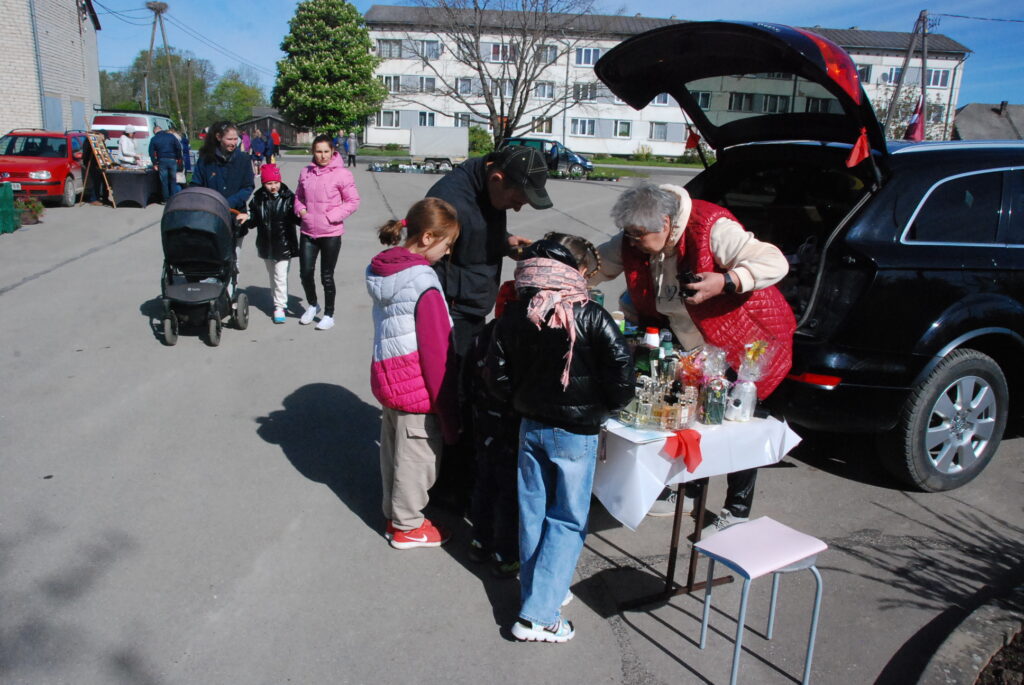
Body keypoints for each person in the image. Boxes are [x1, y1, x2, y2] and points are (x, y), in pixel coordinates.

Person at [590, 182, 795, 536]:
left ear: (666, 223)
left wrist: (729, 280)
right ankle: (690, 493)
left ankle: (737, 510)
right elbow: (596, 263)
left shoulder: (711, 228)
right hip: (689, 342)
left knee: (736, 424)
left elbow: (773, 261)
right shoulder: (636, 237)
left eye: (638, 234)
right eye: (629, 234)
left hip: (743, 342)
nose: (632, 242)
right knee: (689, 419)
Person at [486, 238, 632, 643]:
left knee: (533, 514)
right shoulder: (590, 314)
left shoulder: (516, 313)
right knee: (567, 520)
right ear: (572, 271)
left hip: (530, 427)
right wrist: (599, 406)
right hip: (576, 433)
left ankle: (542, 593)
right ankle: (538, 616)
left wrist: (522, 400)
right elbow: (622, 375)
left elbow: (494, 377)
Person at [424, 145, 549, 511]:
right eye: (517, 196)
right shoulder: (449, 201)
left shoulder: (489, 191)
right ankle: (447, 486)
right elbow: (429, 257)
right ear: (497, 178)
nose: (519, 206)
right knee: (455, 398)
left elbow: (479, 239)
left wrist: (506, 244)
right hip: (453, 314)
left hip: (474, 308)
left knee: (470, 392)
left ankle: (461, 472)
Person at [366, 198, 462, 550]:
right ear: (426, 238)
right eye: (446, 243)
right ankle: (408, 526)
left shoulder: (384, 269)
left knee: (392, 451)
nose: (448, 251)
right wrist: (448, 409)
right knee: (417, 458)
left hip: (389, 373)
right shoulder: (423, 280)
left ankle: (394, 514)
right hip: (418, 386)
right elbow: (437, 351)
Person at [465, 280, 520, 579]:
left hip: (483, 420)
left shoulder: (485, 333)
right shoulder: (520, 336)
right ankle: (506, 554)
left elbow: (467, 376)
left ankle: (479, 542)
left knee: (484, 483)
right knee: (509, 492)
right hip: (510, 424)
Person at [293, 134, 360, 331]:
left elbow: (353, 201)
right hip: (308, 231)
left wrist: (332, 216)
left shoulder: (342, 174)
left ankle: (329, 314)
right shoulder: (306, 172)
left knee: (326, 276)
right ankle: (313, 305)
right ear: (313, 152)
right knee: (305, 273)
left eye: (326, 152)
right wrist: (301, 211)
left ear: (333, 152)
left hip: (330, 232)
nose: (322, 156)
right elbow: (298, 196)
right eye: (318, 151)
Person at [236, 164, 300, 324]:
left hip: (285, 244)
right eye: (269, 183)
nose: (273, 186)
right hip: (266, 245)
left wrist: (307, 215)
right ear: (263, 184)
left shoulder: (289, 198)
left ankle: (280, 306)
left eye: (276, 182)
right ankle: (277, 299)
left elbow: (298, 218)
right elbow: (253, 219)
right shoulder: (258, 199)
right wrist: (247, 218)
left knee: (280, 276)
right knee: (273, 275)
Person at [190, 121, 254, 213]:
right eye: (229, 139)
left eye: (235, 139)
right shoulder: (205, 159)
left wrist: (229, 203)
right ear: (219, 137)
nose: (233, 143)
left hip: (235, 212)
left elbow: (248, 187)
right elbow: (196, 185)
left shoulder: (244, 159)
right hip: (210, 212)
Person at [148, 124, 183, 202]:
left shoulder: (154, 138)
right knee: (173, 179)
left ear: (155, 131)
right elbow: (178, 147)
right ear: (161, 129)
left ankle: (165, 199)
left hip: (162, 160)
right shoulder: (171, 136)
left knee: (164, 180)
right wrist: (178, 158)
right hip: (172, 159)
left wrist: (154, 163)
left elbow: (151, 152)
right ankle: (173, 197)